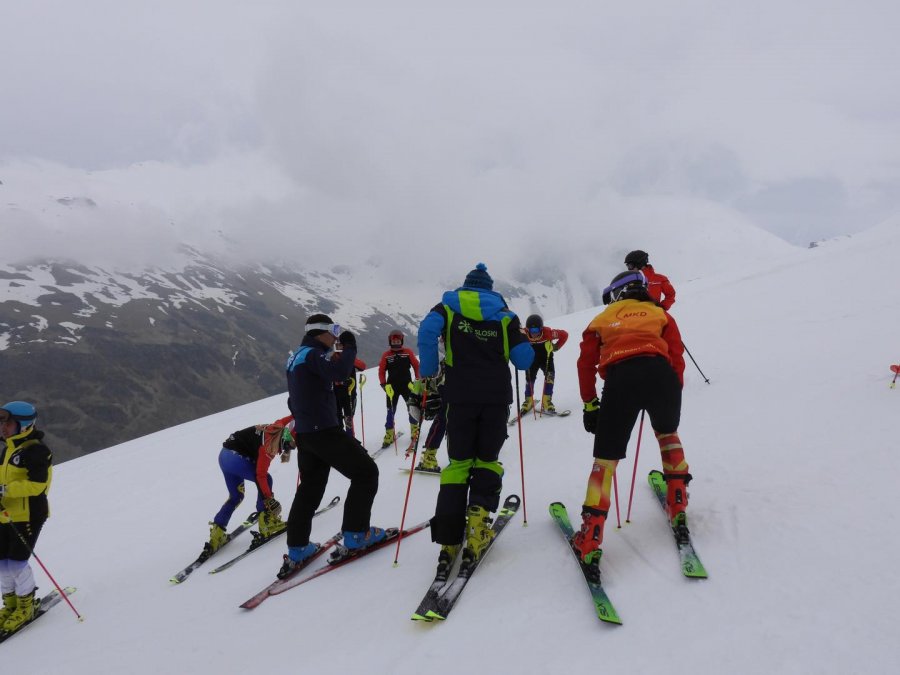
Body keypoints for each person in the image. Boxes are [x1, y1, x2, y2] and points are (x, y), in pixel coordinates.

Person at [417, 263, 534, 576]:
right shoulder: (506, 315)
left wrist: (428, 370)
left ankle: (448, 541)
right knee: (486, 460)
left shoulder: (446, 308)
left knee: (458, 464)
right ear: (490, 289)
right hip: (496, 399)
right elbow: (524, 360)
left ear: (466, 286)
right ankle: (478, 529)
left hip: (459, 397)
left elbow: (426, 333)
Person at [573, 270, 691, 574]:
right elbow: (676, 355)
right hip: (661, 375)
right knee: (667, 435)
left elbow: (585, 364)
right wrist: (672, 389)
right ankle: (678, 504)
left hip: (620, 379)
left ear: (616, 295)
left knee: (606, 461)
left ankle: (590, 538)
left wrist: (590, 404)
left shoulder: (601, 319)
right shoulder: (659, 313)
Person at [280, 314, 384, 578]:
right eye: (334, 330)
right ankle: (356, 535)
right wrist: (350, 347)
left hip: (306, 433)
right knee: (366, 473)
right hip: (323, 430)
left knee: (310, 489)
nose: (337, 336)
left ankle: (298, 548)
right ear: (322, 332)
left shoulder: (298, 356)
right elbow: (339, 373)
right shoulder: (314, 354)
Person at [204, 416, 295, 555]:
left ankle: (217, 532)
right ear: (283, 441)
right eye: (288, 446)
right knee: (266, 479)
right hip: (237, 459)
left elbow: (285, 419)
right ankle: (267, 522)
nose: (286, 451)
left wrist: (297, 413)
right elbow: (261, 475)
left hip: (224, 456)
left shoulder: (277, 428)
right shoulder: (269, 447)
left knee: (236, 496)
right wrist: (269, 499)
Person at [0, 401, 51, 633]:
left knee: (18, 563)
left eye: (7, 422)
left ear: (24, 424)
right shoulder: (8, 450)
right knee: (3, 563)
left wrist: (5, 490)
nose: (3, 427)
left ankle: (26, 605)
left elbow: (39, 485)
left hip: (29, 515)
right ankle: (10, 605)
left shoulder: (37, 450)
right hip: (5, 515)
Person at [518, 314, 569, 416]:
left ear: (541, 329)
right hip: (531, 359)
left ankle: (546, 401)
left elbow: (564, 334)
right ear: (527, 329)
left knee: (549, 378)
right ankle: (528, 401)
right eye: (531, 331)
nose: (534, 334)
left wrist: (556, 346)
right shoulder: (523, 333)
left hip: (546, 359)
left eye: (536, 330)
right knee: (529, 379)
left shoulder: (549, 333)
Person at [378, 330, 420, 449]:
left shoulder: (408, 352)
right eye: (393, 340)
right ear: (390, 341)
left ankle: (414, 430)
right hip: (392, 387)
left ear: (401, 340)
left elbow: (416, 366)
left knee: (412, 408)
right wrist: (383, 384)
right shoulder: (386, 355)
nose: (395, 342)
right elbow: (381, 371)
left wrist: (417, 380)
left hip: (407, 386)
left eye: (397, 340)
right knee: (390, 410)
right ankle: (389, 434)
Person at [334, 357, 367, 438]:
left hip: (350, 394)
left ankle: (351, 439)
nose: (340, 348)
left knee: (348, 419)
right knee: (337, 418)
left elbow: (362, 366)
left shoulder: (350, 357)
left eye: (342, 346)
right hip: (336, 395)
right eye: (337, 345)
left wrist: (349, 358)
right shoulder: (333, 359)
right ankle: (341, 439)